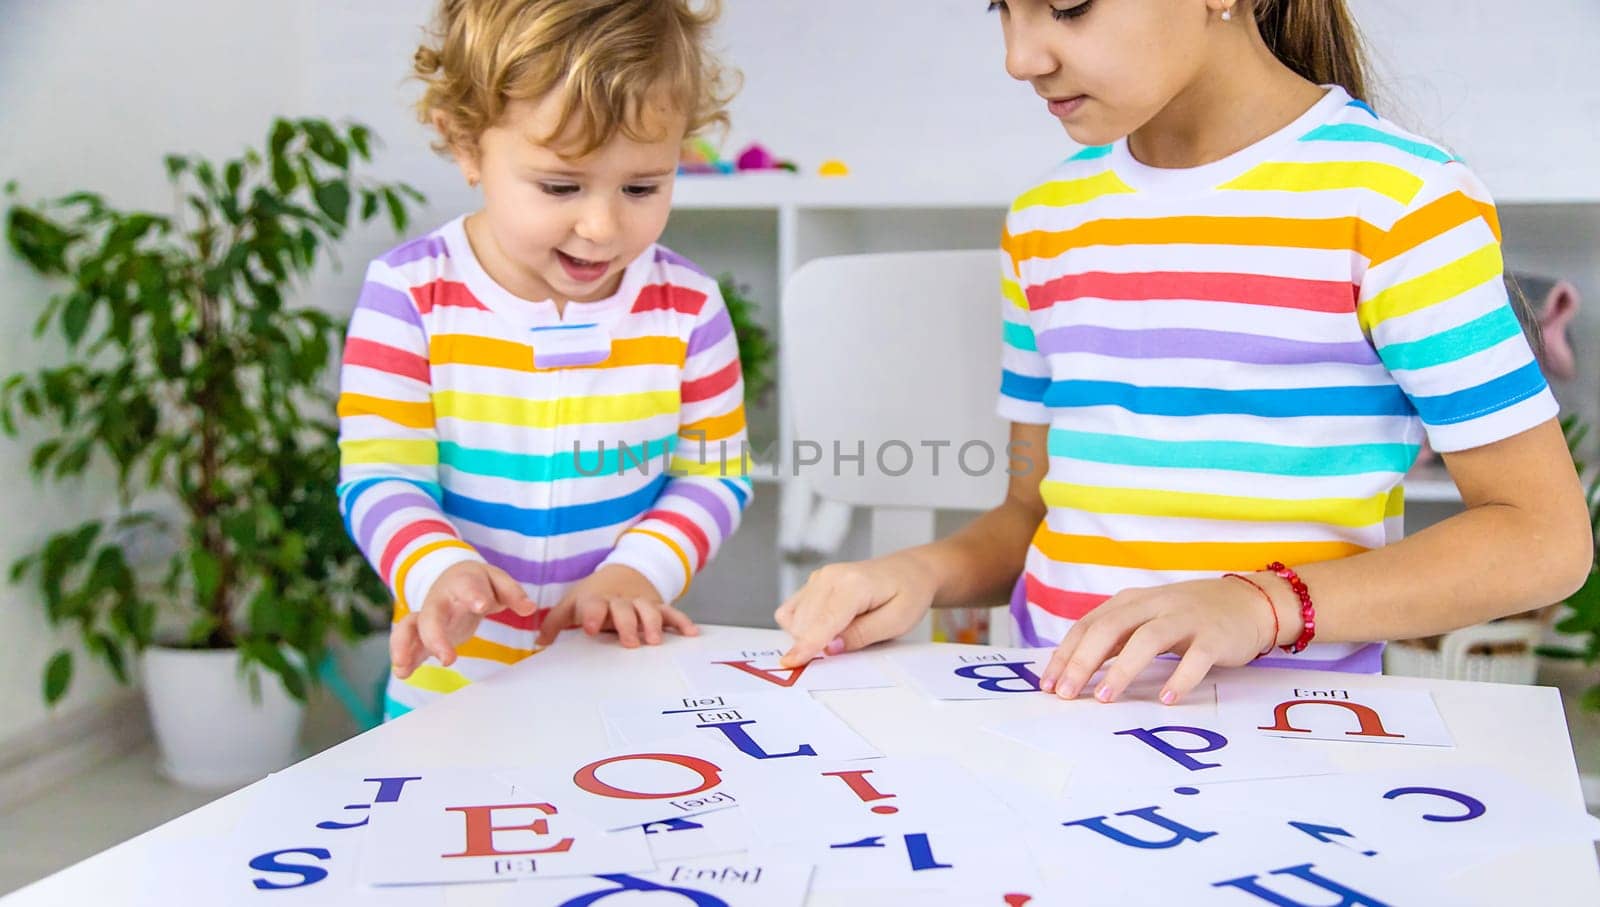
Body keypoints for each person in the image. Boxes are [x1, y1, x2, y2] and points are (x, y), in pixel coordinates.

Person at [776, 0, 1593, 708]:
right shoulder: (1044, 221)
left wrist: (1258, 605)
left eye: (1068, 6)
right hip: (1052, 707)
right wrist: (919, 571)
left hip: (1287, 735)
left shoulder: (1401, 204)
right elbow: (1029, 515)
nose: (1021, 57)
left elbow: (1543, 539)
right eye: (1003, 7)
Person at [337, 0, 749, 719]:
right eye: (561, 186)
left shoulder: (689, 307)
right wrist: (439, 567)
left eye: (642, 187)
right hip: (454, 687)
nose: (601, 226)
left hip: (614, 677)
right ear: (467, 145)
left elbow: (715, 478)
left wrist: (636, 570)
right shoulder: (409, 296)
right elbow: (380, 478)